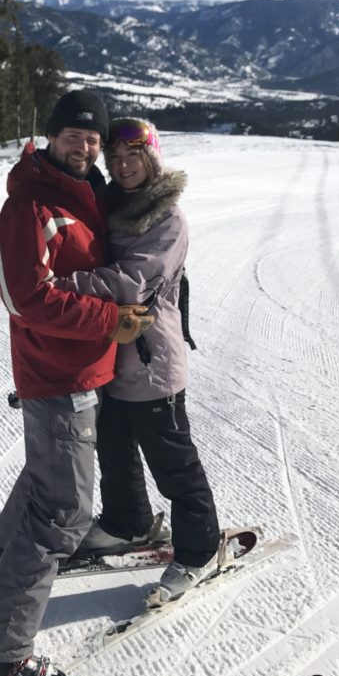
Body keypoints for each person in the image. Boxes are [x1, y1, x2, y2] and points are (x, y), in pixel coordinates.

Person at [0, 91, 153, 676]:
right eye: (74, 134)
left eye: (94, 137)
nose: (86, 144)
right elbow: (27, 297)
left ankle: (4, 556)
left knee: (46, 478)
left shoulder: (86, 194)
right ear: (50, 136)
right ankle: (0, 660)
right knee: (65, 515)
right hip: (56, 375)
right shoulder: (30, 205)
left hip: (80, 373)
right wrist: (109, 321)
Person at [53, 118, 221, 603]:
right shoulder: (112, 206)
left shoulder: (168, 219)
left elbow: (129, 281)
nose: (124, 166)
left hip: (152, 363)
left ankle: (199, 549)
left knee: (173, 463)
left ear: (152, 158)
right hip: (110, 355)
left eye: (134, 156)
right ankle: (129, 523)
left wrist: (60, 288)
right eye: (116, 158)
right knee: (115, 450)